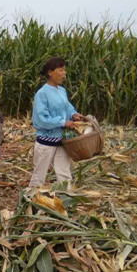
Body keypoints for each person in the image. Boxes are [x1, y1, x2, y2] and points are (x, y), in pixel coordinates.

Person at [28, 57, 86, 189]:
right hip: (46, 142)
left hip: (62, 140)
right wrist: (63, 122)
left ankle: (66, 197)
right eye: (60, 70)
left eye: (65, 70)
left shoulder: (62, 90)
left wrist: (74, 114)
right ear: (50, 72)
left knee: (64, 172)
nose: (64, 73)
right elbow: (41, 119)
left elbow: (67, 107)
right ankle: (31, 198)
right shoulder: (42, 94)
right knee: (39, 175)